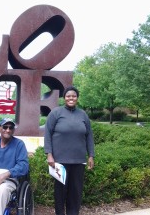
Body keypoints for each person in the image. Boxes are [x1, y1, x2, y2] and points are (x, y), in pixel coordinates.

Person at [44, 86, 95, 215]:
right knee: (60, 193)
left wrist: (91, 156)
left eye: (74, 96)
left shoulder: (83, 114)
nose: (71, 98)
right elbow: (48, 134)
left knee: (75, 192)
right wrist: (49, 154)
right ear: (64, 98)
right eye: (68, 96)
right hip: (60, 161)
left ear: (77, 98)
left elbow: (89, 135)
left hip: (78, 161)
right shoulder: (56, 113)